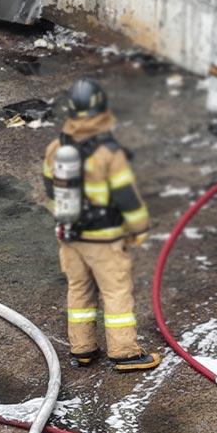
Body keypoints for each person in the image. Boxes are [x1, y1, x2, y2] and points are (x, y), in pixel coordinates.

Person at [41, 78, 160, 371]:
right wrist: (139, 228)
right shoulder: (108, 152)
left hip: (69, 234)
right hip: (103, 238)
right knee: (115, 291)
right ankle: (124, 353)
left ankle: (82, 349)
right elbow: (126, 197)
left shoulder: (57, 146)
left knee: (79, 287)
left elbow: (49, 188)